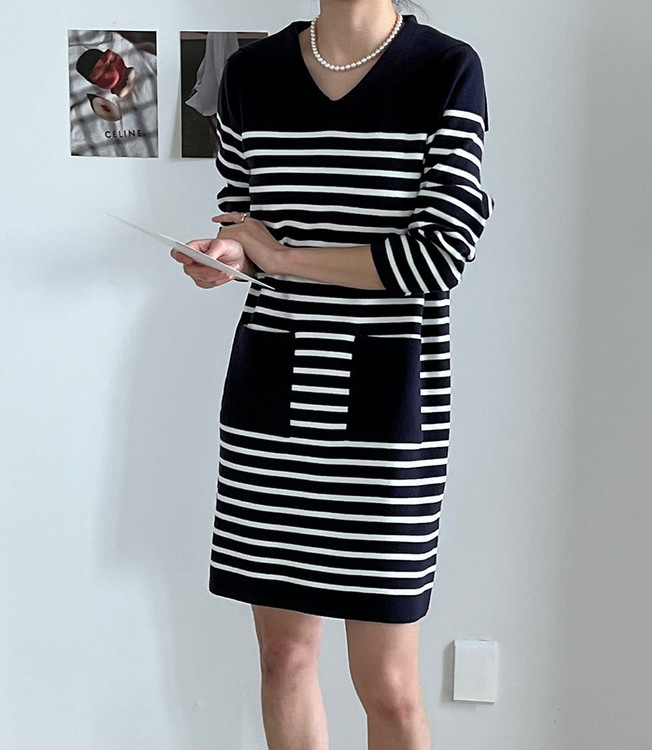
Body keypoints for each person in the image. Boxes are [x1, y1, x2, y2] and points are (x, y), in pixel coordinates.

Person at [170, 1, 494, 748]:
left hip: (389, 407)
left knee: (388, 688)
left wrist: (283, 259)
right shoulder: (250, 74)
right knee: (284, 659)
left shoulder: (446, 69)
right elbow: (245, 225)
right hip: (273, 401)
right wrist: (228, 258)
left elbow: (438, 256)